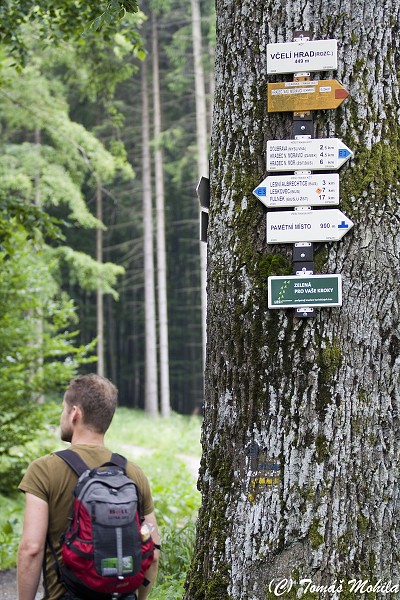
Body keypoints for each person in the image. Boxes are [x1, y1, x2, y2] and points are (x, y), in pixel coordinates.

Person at [17, 373, 160, 600]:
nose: (62, 416)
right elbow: (152, 553)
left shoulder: (44, 469)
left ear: (75, 413)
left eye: (64, 409)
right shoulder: (134, 473)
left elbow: (31, 549)